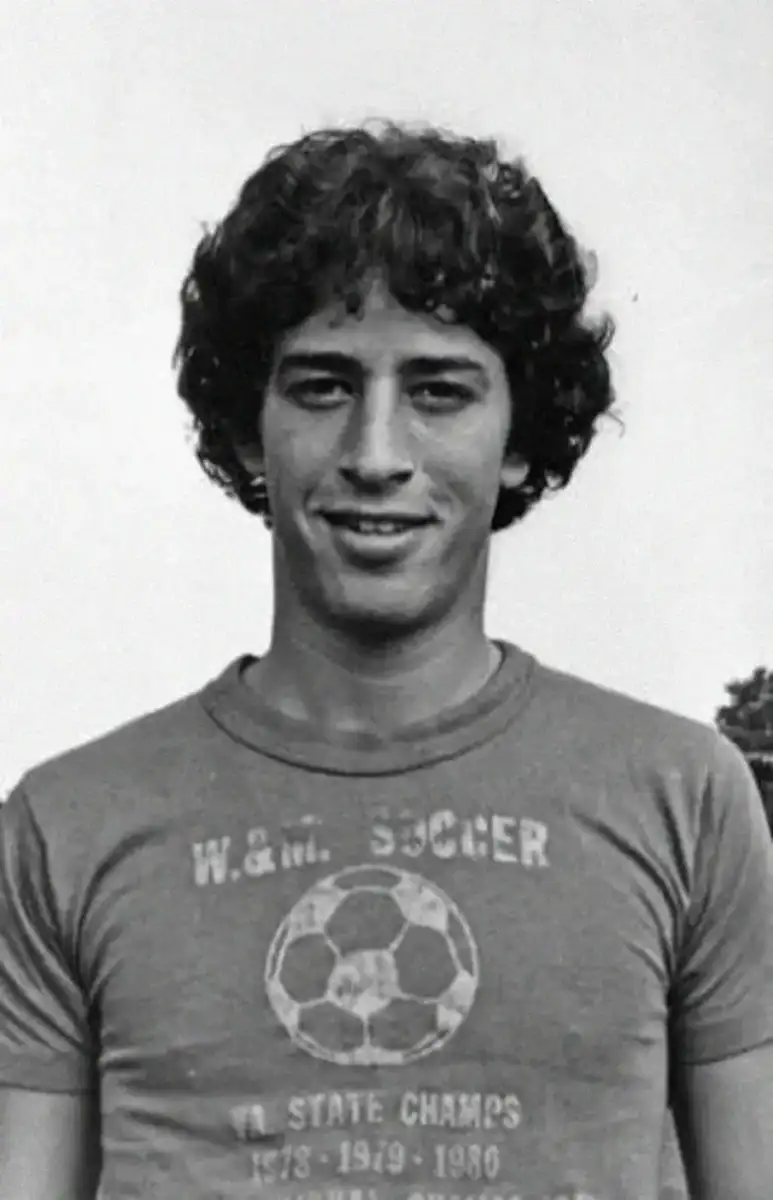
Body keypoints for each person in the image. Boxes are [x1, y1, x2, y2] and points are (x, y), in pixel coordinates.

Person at [1, 119, 771, 1200]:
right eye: (320, 387)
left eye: (438, 391)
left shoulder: (683, 800)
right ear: (242, 431)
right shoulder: (65, 830)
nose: (374, 455)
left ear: (517, 437)